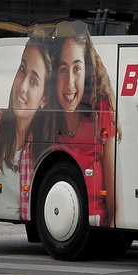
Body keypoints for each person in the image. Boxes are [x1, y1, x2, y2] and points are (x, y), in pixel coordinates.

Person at [0, 35, 53, 219]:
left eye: (34, 81)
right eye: (22, 70)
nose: (22, 86)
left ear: (44, 99)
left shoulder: (46, 142)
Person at [51, 22, 119, 227]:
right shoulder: (48, 118)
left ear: (87, 72)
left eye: (77, 68)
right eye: (63, 69)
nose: (70, 83)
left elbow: (114, 207)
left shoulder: (100, 108)